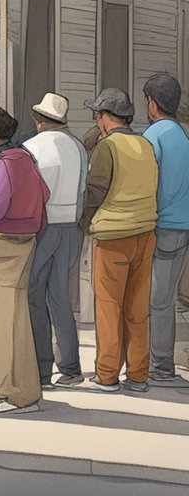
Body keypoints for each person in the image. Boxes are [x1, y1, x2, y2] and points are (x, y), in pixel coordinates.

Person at [81, 88, 159, 391]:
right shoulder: (145, 144)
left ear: (104, 118)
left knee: (109, 306)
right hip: (145, 233)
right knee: (138, 309)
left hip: (113, 235)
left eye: (97, 115)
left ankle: (107, 374)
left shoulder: (107, 147)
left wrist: (85, 221)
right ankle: (138, 374)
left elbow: (96, 191)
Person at [0, 105, 49, 414]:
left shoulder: (2, 164)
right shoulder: (26, 158)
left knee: (3, 321)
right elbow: (44, 194)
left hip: (3, 242)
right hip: (27, 240)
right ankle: (28, 391)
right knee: (19, 318)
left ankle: (7, 392)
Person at [22, 93, 88, 388]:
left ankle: (41, 368)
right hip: (71, 226)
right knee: (60, 296)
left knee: (34, 295)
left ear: (39, 121)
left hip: (43, 226)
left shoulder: (31, 147)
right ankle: (71, 367)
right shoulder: (77, 146)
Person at [141, 74, 189, 388]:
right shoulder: (183, 136)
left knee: (157, 300)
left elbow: (151, 185)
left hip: (162, 225)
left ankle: (160, 367)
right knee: (166, 296)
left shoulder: (153, 136)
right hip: (182, 226)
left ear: (152, 104)